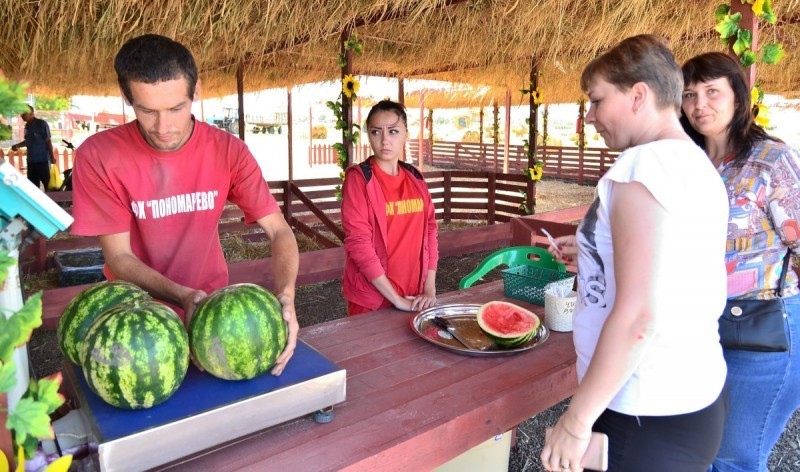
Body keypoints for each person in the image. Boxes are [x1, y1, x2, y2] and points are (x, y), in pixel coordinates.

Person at [540, 35, 729, 472]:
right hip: (694, 397)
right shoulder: (695, 163)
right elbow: (671, 268)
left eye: (596, 100)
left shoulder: (641, 168)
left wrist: (575, 421)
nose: (590, 118)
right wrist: (593, 255)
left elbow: (638, 317)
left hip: (643, 409)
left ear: (638, 95)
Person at [71, 34, 299, 375]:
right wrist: (182, 296)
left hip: (215, 317)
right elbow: (118, 258)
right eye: (147, 110)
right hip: (136, 324)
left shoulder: (229, 151)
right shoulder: (99, 156)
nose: (164, 128)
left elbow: (279, 230)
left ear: (197, 91)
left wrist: (286, 297)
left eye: (177, 108)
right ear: (126, 97)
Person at [681, 51, 800, 472]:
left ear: (737, 96)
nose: (700, 105)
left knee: (735, 459)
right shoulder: (688, 164)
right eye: (689, 94)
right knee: (704, 454)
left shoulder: (771, 160)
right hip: (700, 328)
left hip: (764, 326)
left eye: (713, 91)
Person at [340, 99, 438, 315]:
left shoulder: (415, 178)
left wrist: (429, 289)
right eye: (376, 132)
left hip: (415, 295)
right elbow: (358, 243)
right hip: (374, 299)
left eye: (393, 131)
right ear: (368, 135)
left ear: (406, 134)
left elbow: (430, 231)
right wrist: (396, 300)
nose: (384, 140)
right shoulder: (359, 180)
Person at [10, 105, 56, 190]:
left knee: (47, 184)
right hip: (31, 161)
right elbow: (28, 141)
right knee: (32, 186)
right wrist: (17, 145)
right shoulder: (27, 126)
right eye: (21, 114)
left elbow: (48, 141)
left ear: (31, 114)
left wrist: (52, 156)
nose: (21, 116)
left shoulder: (42, 124)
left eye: (24, 114)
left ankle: (51, 202)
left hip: (43, 160)